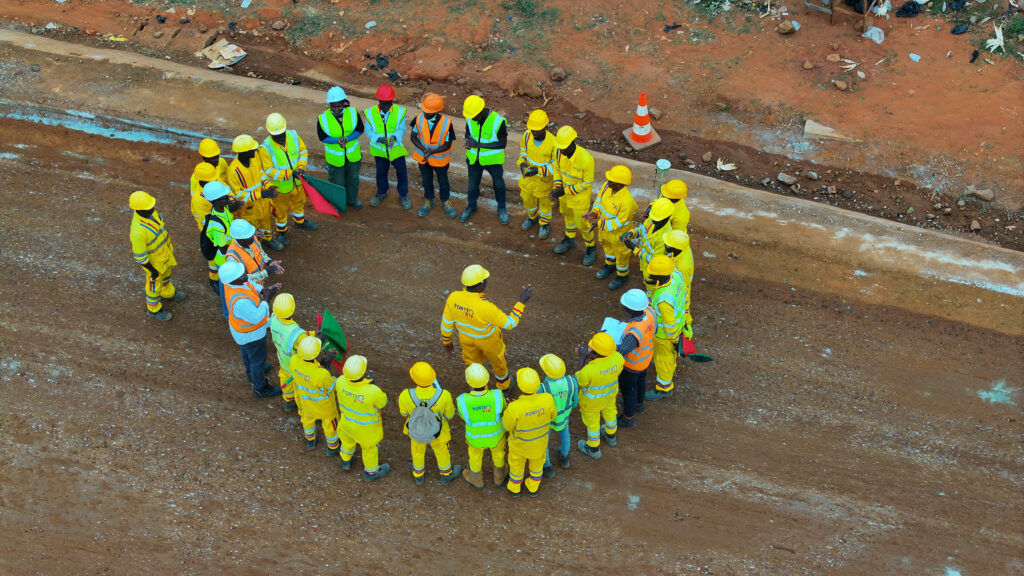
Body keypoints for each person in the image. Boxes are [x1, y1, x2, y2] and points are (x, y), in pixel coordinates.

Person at [441, 264, 533, 391]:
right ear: (482, 283)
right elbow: (510, 323)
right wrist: (521, 302)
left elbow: (446, 322)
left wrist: (447, 341)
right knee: (498, 362)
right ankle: (504, 386)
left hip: (466, 339)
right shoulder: (487, 307)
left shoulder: (453, 297)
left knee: (473, 364)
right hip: (489, 341)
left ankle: (478, 387)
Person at [219, 261, 281, 398]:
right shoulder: (240, 302)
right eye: (240, 275)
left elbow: (252, 287)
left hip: (241, 332)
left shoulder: (236, 282)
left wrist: (264, 290)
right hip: (251, 335)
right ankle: (260, 388)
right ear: (233, 280)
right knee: (257, 360)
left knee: (247, 353)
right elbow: (258, 317)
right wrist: (266, 298)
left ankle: (250, 373)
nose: (245, 275)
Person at [398, 362, 462, 485]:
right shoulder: (444, 395)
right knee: (442, 451)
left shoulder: (405, 395)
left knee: (417, 451)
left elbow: (404, 414)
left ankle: (418, 475)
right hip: (438, 431)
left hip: (417, 429)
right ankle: (446, 474)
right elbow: (449, 415)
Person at [129, 191, 185, 321]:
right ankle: (153, 309)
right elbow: (140, 257)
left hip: (163, 256)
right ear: (139, 210)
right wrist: (152, 271)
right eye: (149, 207)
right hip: (154, 264)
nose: (152, 208)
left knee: (166, 276)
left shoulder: (150, 213)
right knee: (154, 287)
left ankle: (168, 293)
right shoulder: (137, 232)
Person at [261, 113, 316, 245]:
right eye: (276, 135)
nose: (280, 137)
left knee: (299, 202)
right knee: (280, 210)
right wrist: (290, 174)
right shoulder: (265, 147)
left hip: (297, 182)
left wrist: (301, 167)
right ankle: (282, 231)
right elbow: (268, 171)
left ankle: (299, 222)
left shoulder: (293, 135)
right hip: (281, 188)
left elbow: (303, 152)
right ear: (269, 132)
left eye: (281, 134)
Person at [335, 355, 391, 481]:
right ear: (363, 373)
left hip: (346, 425)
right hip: (366, 430)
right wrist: (372, 384)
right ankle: (371, 472)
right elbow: (383, 403)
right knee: (369, 450)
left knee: (347, 443)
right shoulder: (373, 391)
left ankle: (346, 461)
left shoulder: (340, 381)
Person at [502, 368, 556, 498]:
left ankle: (515, 489)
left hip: (519, 447)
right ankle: (533, 487)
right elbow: (553, 416)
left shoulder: (514, 407)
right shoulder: (547, 399)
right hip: (539, 444)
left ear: (520, 386)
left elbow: (507, 426)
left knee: (516, 467)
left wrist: (512, 408)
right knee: (537, 466)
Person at [455, 363, 507, 489]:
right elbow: (504, 409)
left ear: (468, 382)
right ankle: (499, 476)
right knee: (498, 454)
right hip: (496, 436)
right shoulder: (497, 395)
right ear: (487, 378)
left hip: (475, 439)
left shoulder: (462, 400)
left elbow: (463, 417)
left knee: (475, 457)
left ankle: (476, 479)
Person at [550, 126, 596, 265]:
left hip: (579, 199)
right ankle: (569, 239)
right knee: (568, 218)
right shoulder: (559, 153)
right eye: (560, 147)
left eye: (564, 147)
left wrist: (565, 190)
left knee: (582, 224)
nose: (562, 150)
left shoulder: (586, 159)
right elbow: (557, 170)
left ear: (573, 142)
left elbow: (587, 182)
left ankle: (590, 247)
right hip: (565, 196)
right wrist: (558, 186)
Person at [227, 134, 282, 251]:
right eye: (252, 149)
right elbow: (239, 195)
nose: (255, 150)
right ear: (244, 152)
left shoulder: (254, 159)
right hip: (249, 209)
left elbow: (261, 173)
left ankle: (268, 239)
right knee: (251, 228)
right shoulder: (233, 171)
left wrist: (269, 185)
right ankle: (254, 246)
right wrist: (261, 194)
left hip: (262, 204)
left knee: (266, 223)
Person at [643, 255, 687, 401]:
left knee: (663, 360)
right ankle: (669, 369)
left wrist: (674, 340)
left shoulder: (664, 300)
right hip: (679, 325)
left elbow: (668, 323)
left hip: (664, 336)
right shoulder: (675, 275)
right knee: (668, 357)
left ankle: (663, 388)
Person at [575, 332, 624, 460]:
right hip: (609, 397)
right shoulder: (618, 357)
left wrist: (582, 358)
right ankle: (611, 436)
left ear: (595, 353)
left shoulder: (589, 370)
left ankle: (593, 448)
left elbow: (579, 381)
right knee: (610, 415)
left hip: (591, 403)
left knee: (593, 425)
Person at [460, 95, 509, 225]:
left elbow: (502, 144)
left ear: (481, 112)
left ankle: (502, 208)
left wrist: (479, 145)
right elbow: (468, 133)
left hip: (493, 160)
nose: (471, 119)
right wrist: (467, 141)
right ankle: (471, 206)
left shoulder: (498, 121)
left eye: (474, 116)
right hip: (474, 159)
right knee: (472, 184)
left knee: (498, 184)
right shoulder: (470, 118)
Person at [587, 165, 636, 290]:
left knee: (621, 256)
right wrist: (594, 212)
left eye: (611, 180)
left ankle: (622, 275)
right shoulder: (607, 187)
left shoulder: (627, 202)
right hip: (605, 231)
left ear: (620, 184)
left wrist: (599, 224)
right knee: (608, 249)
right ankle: (610, 265)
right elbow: (598, 200)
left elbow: (621, 222)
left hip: (619, 236)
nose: (607, 182)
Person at [289, 336, 340, 453]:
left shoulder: (294, 360)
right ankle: (333, 447)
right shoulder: (321, 375)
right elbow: (333, 385)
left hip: (306, 403)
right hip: (324, 407)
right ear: (316, 354)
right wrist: (327, 366)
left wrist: (323, 362)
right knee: (329, 425)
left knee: (307, 420)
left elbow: (308, 367)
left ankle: (310, 440)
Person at [410, 93, 457, 218]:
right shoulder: (419, 118)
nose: (425, 114)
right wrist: (423, 149)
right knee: (426, 180)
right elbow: (413, 136)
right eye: (424, 111)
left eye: (428, 112)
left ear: (436, 112)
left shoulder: (447, 123)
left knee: (443, 181)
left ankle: (445, 201)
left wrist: (431, 152)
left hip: (440, 160)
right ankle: (429, 200)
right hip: (423, 158)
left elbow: (447, 144)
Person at [317, 86, 365, 209]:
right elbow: (322, 137)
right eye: (333, 106)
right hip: (335, 159)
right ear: (329, 104)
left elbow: (360, 129)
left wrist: (348, 139)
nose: (336, 109)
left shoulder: (353, 113)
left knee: (353, 179)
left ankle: (352, 200)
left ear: (344, 103)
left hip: (352, 156)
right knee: (337, 182)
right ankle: (337, 202)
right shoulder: (323, 118)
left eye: (339, 106)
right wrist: (337, 140)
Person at [364, 85, 410, 209]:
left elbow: (401, 129)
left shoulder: (399, 112)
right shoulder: (370, 113)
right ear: (378, 101)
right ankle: (382, 192)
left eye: (388, 103)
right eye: (383, 103)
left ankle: (403, 195)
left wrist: (395, 137)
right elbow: (368, 131)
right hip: (379, 149)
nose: (386, 106)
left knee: (402, 172)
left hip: (395, 147)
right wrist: (378, 138)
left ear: (392, 101)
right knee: (381, 172)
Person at [616, 289, 655, 429]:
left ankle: (628, 417)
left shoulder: (633, 334)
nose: (622, 307)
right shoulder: (650, 312)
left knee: (628, 391)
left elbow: (621, 351)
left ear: (630, 310)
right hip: (645, 360)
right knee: (641, 382)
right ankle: (639, 404)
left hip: (631, 367)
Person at [269, 293, 313, 412]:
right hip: (296, 365)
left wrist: (312, 333)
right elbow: (305, 344)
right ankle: (301, 406)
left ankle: (288, 401)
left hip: (283, 360)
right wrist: (316, 338)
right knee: (300, 385)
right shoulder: (297, 332)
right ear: (292, 310)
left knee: (285, 380)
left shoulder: (273, 318)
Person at [517, 109, 556, 239]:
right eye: (532, 130)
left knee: (545, 205)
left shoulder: (553, 143)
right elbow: (523, 151)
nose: (534, 133)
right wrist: (522, 163)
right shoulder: (527, 135)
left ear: (545, 127)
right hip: (528, 181)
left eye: (537, 131)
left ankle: (544, 223)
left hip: (544, 183)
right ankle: (532, 217)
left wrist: (538, 171)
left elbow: (556, 166)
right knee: (528, 200)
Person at [539, 354, 578, 477]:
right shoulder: (572, 381)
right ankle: (564, 458)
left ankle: (547, 467)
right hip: (564, 417)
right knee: (565, 436)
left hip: (548, 421)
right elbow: (575, 402)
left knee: (544, 443)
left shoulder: (543, 387)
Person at [623, 197, 674, 281]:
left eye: (656, 220)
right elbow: (643, 229)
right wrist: (632, 233)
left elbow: (654, 260)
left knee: (650, 285)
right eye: (653, 218)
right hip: (644, 260)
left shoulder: (665, 237)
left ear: (667, 218)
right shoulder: (654, 218)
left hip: (654, 270)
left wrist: (634, 248)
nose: (653, 222)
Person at [224, 219, 283, 285]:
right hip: (250, 287)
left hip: (260, 282)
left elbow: (261, 252)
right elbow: (239, 279)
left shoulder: (252, 238)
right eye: (249, 237)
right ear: (239, 239)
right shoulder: (232, 257)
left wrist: (269, 261)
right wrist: (265, 273)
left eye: (252, 234)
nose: (253, 237)